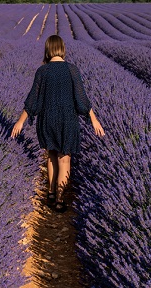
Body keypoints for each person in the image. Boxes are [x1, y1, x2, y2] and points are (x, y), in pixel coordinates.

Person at [11, 34, 105, 212]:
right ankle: (60, 200)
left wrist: (20, 122)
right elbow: (81, 99)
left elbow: (33, 100)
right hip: (67, 120)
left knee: (52, 156)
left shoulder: (42, 71)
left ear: (48, 49)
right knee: (65, 160)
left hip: (47, 120)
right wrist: (94, 119)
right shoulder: (72, 69)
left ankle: (51, 193)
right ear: (62, 49)